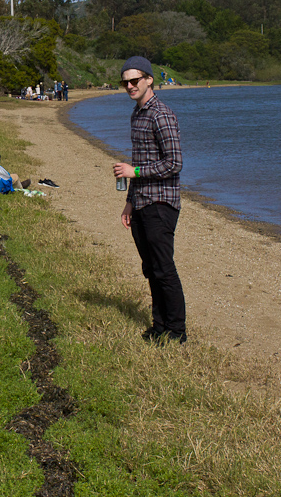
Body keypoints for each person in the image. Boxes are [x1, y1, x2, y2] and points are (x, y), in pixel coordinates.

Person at [112, 55, 187, 344]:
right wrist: (130, 200)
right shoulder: (137, 113)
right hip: (141, 201)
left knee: (163, 266)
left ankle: (177, 331)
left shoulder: (161, 114)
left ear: (149, 80)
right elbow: (139, 161)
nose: (130, 86)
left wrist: (136, 171)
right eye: (125, 82)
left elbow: (175, 163)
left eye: (135, 80)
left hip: (162, 203)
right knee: (151, 268)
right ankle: (159, 327)